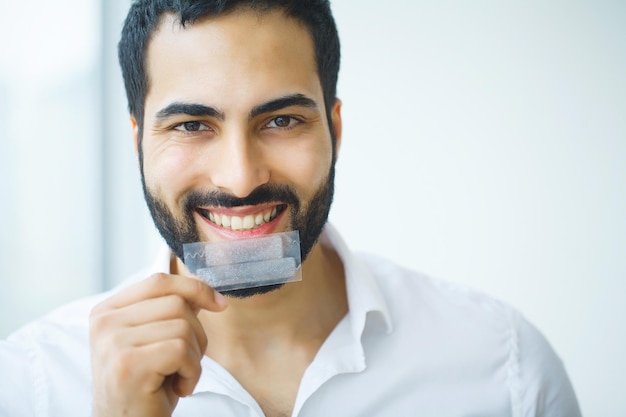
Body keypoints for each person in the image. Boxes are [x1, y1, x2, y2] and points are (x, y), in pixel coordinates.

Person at [0, 0, 581, 416]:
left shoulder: (506, 369)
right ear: (137, 143)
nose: (241, 178)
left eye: (281, 121)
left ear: (334, 128)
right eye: (192, 125)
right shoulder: (33, 385)